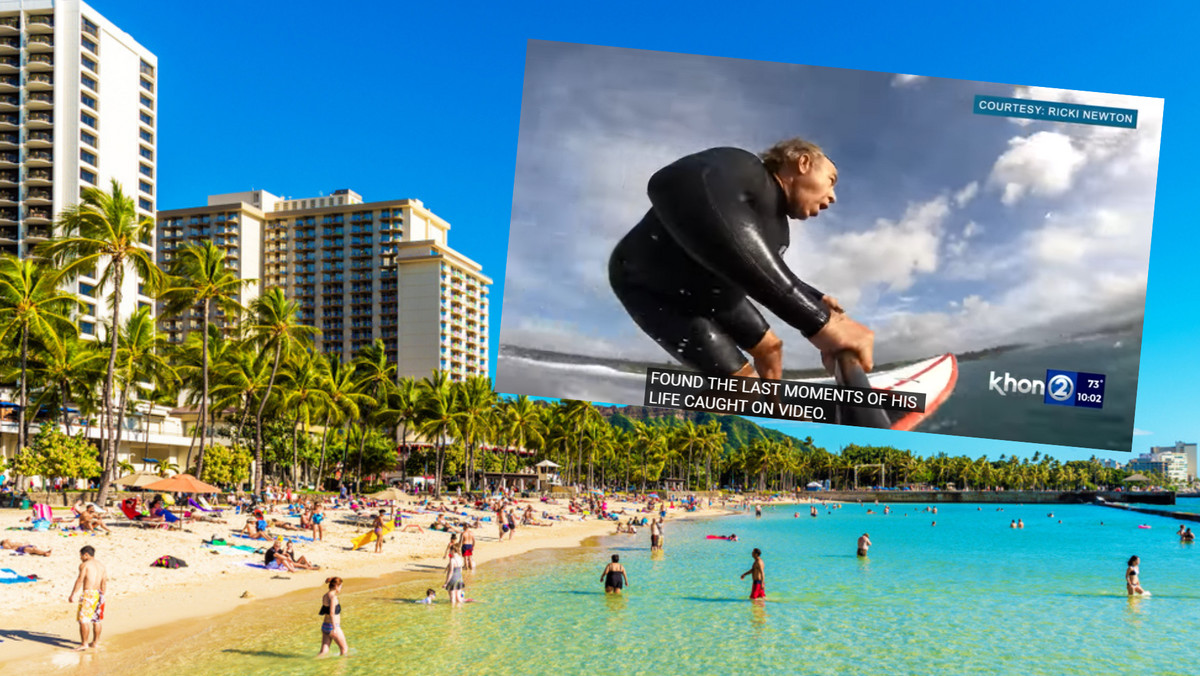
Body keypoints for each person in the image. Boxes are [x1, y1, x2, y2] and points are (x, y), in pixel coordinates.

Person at [608, 139, 873, 391]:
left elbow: (759, 270)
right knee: (741, 388)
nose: (833, 197)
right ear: (803, 163)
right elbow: (674, 182)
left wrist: (816, 297)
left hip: (713, 290)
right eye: (831, 181)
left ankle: (772, 410)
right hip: (650, 284)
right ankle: (691, 425)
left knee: (771, 349)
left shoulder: (780, 232)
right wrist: (820, 323)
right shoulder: (743, 168)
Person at [68, 545, 107, 651]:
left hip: (89, 594)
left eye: (81, 555)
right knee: (96, 620)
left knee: (83, 620)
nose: (80, 558)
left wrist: (73, 594)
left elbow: (80, 580)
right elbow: (104, 582)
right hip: (99, 594)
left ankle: (84, 644)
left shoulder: (84, 565)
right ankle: (95, 643)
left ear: (86, 555)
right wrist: (102, 594)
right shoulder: (101, 565)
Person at [317, 577, 348, 657]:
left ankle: (314, 662)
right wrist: (334, 628)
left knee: (323, 652)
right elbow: (331, 613)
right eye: (341, 586)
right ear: (336, 586)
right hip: (333, 626)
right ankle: (341, 668)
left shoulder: (325, 596)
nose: (341, 588)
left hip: (325, 626)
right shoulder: (333, 597)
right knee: (344, 649)